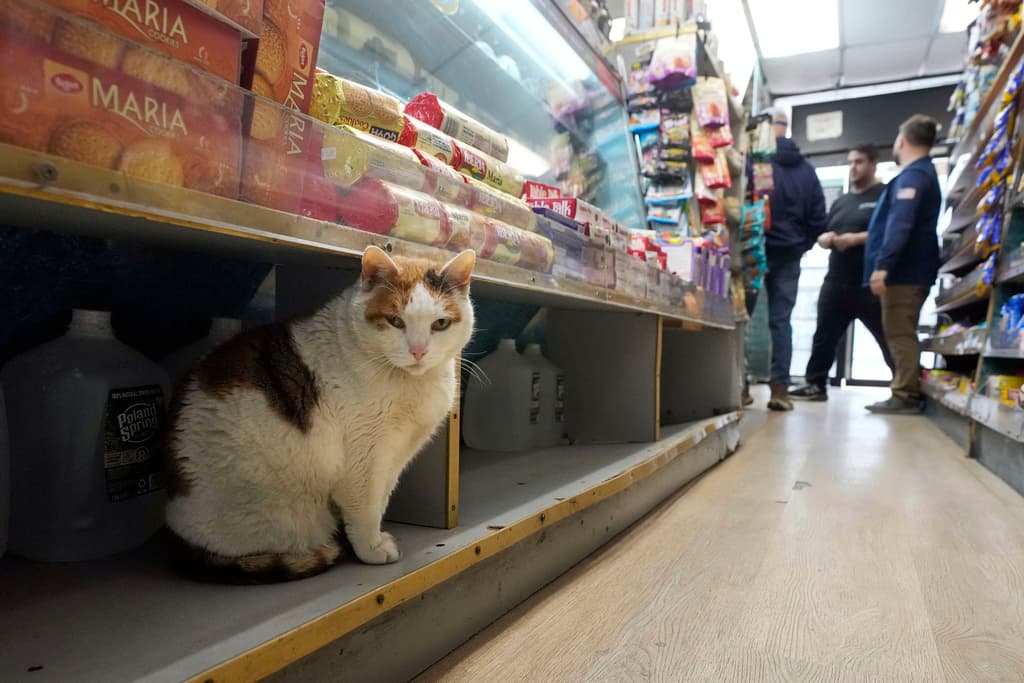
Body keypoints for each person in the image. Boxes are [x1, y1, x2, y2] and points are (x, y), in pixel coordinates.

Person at [790, 145, 894, 401]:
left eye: (859, 162)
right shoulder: (841, 202)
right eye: (850, 162)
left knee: (888, 336)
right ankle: (815, 384)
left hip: (869, 281)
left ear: (873, 164)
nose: (853, 167)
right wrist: (825, 239)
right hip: (837, 279)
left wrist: (856, 239)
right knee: (823, 336)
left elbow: (891, 233)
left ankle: (904, 387)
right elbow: (824, 231)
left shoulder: (884, 196)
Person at [863, 114, 942, 414]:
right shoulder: (921, 174)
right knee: (899, 329)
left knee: (898, 331)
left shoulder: (914, 177)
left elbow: (901, 224)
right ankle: (905, 389)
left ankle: (905, 395)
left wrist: (883, 266)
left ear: (902, 141)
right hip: (909, 270)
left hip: (904, 272)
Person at [763, 108, 827, 411]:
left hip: (756, 248)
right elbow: (818, 219)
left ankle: (736, 389)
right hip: (790, 252)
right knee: (781, 321)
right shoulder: (807, 171)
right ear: (786, 128)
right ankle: (779, 390)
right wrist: (801, 244)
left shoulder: (758, 161)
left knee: (740, 316)